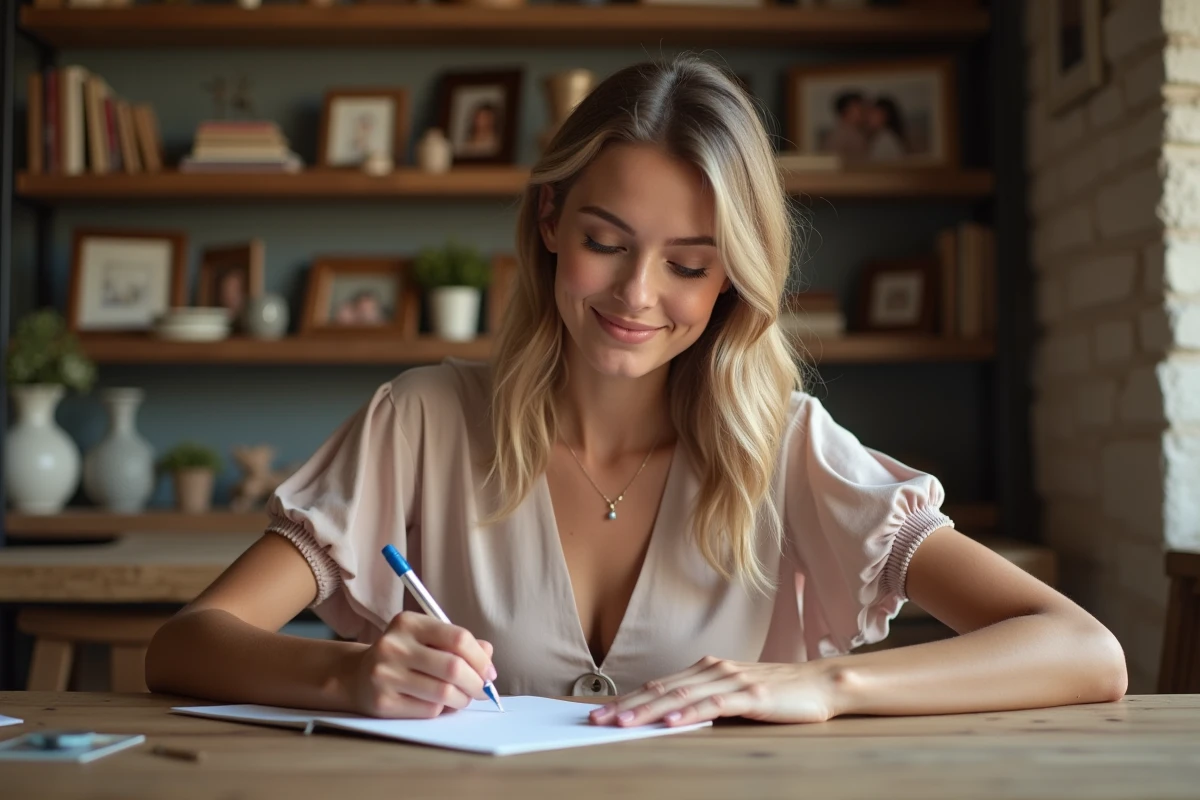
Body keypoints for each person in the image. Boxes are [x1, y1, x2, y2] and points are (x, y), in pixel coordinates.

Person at [146, 56, 1126, 727]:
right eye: (607, 243)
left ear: (735, 277)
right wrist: (347, 671)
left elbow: (1082, 648)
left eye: (690, 265)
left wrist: (825, 683)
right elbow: (186, 645)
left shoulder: (786, 446)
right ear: (549, 222)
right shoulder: (421, 418)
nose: (637, 294)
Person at [824, 91, 869, 161]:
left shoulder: (857, 131)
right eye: (859, 107)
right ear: (846, 110)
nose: (863, 111)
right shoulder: (839, 135)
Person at [866, 95, 908, 162]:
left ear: (884, 116)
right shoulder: (880, 136)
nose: (868, 117)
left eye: (873, 113)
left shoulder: (886, 138)